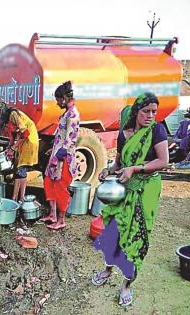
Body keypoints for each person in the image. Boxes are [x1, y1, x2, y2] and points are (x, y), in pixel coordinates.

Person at [92, 92, 168, 307]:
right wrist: (108, 170)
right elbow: (119, 161)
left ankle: (126, 285)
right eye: (146, 111)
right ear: (137, 111)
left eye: (154, 111)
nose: (151, 115)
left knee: (136, 237)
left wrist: (136, 168)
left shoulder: (157, 130)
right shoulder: (125, 133)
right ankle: (107, 270)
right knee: (113, 231)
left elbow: (163, 161)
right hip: (124, 188)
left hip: (146, 189)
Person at [41, 81, 80, 230]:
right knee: (48, 182)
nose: (57, 103)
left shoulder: (73, 115)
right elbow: (61, 136)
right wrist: (53, 150)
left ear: (64, 98)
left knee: (60, 188)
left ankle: (61, 220)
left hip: (64, 159)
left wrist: (58, 156)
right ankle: (52, 215)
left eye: (58, 100)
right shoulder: (66, 113)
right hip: (57, 155)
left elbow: (70, 140)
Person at [0, 102, 39, 202]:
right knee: (19, 169)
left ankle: (18, 198)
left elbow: (25, 133)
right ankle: (17, 198)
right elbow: (12, 136)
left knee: (20, 169)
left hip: (29, 140)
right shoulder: (7, 118)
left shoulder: (13, 114)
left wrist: (13, 148)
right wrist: (9, 148)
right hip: (23, 140)